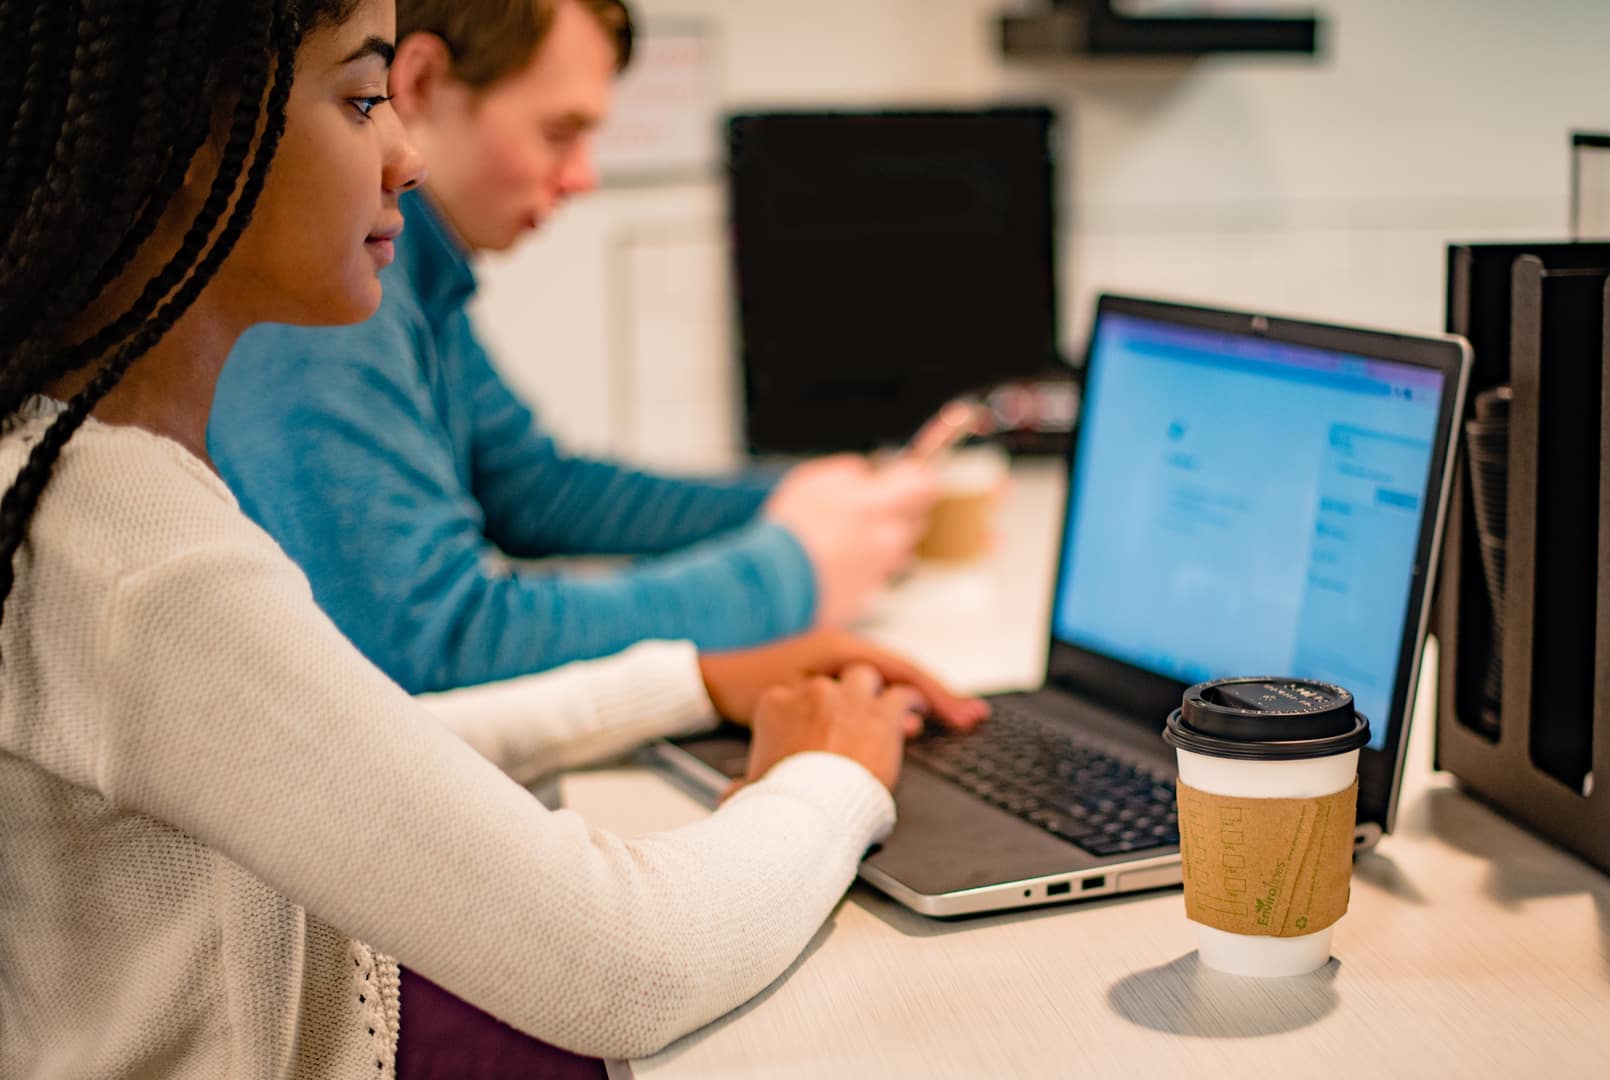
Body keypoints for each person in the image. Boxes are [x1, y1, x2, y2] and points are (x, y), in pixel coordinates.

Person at [0, 1, 983, 1075]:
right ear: (194, 137)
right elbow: (628, 965)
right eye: (363, 100)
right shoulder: (145, 561)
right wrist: (830, 777)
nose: (406, 157)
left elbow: (356, 745)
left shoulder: (94, 484)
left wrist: (688, 682)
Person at [206, 0, 935, 696]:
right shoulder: (333, 303)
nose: (584, 177)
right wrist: (789, 575)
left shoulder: (414, 279)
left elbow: (534, 491)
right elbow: (431, 641)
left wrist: (794, 502)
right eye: (560, 133)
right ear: (420, 83)